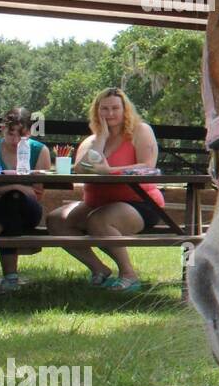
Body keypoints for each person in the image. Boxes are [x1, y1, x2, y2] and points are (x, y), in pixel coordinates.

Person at [46, 87, 165, 292]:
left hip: (139, 202)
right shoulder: (90, 141)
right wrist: (101, 138)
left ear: (125, 110)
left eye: (115, 108)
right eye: (104, 109)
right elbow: (81, 168)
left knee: (98, 220)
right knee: (56, 220)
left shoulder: (140, 131)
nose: (110, 113)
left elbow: (147, 165)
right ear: (96, 111)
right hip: (96, 203)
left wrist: (109, 171)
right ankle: (99, 269)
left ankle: (129, 274)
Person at [0, 107, 52, 292]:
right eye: (11, 134)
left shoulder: (40, 150)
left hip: (28, 210)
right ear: (2, 129)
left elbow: (36, 193)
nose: (15, 140)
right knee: (11, 204)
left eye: (21, 135)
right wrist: (13, 187)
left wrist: (7, 192)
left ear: (30, 131)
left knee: (14, 201)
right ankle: (11, 278)